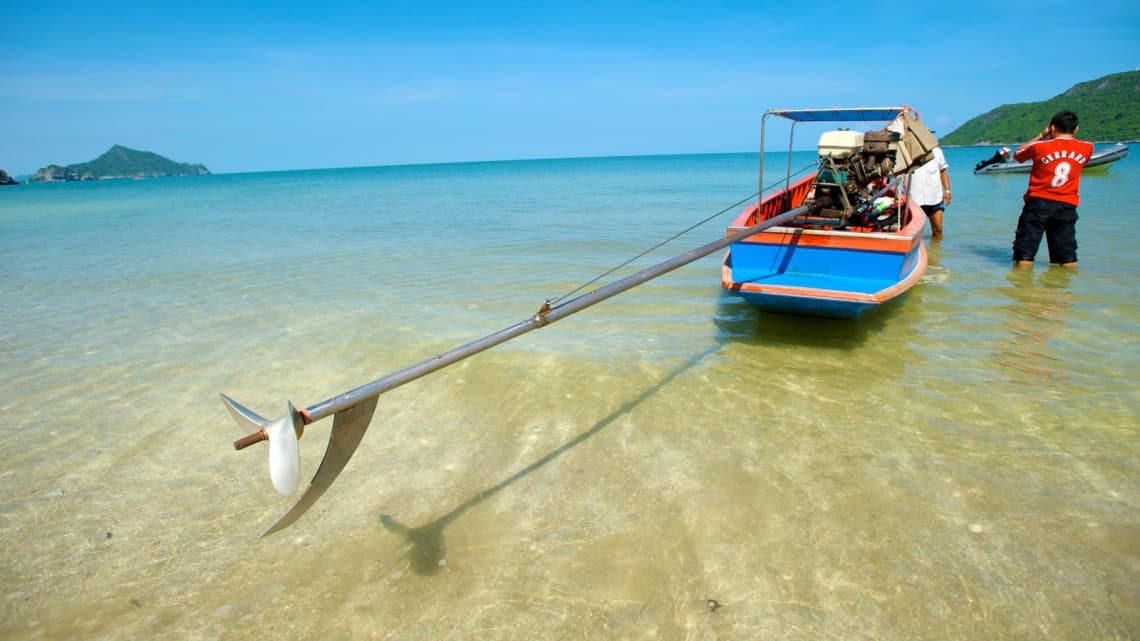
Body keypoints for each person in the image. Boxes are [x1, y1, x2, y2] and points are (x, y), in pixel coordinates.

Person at [1006, 110, 1093, 268]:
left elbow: (1018, 155)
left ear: (1052, 128)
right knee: (1067, 258)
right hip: (1067, 205)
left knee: (1024, 255)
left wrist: (1041, 135)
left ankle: (1021, 289)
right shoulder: (1087, 148)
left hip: (1038, 203)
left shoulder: (1040, 147)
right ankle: (1066, 289)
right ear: (1076, 129)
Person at [907, 145, 950, 239]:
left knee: (938, 229)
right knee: (912, 232)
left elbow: (943, 171)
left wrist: (947, 190)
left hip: (935, 197)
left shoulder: (937, 151)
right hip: (914, 199)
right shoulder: (907, 150)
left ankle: (935, 252)